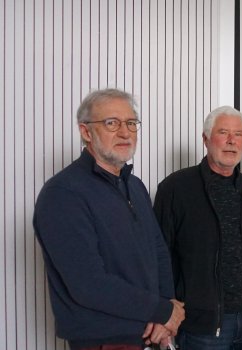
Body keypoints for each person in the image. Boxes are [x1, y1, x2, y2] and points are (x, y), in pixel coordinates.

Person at [33, 88, 185, 350]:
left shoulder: (135, 186)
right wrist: (162, 310)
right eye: (111, 123)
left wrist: (166, 309)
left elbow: (159, 253)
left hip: (150, 335)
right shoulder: (63, 193)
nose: (125, 132)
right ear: (85, 132)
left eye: (131, 123)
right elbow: (88, 284)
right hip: (105, 342)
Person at [153, 106, 242, 349]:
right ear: (205, 139)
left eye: (238, 134)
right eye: (223, 132)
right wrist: (163, 313)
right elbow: (159, 257)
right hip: (201, 325)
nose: (231, 141)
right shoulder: (175, 189)